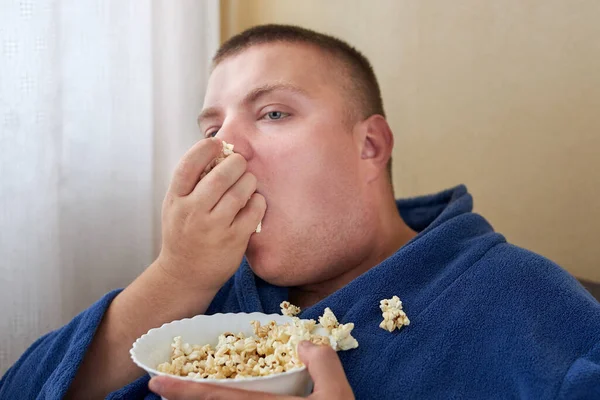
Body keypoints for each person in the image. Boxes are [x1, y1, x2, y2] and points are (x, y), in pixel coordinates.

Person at [1, 24, 599, 400]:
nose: (224, 148)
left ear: (370, 146)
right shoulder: (205, 296)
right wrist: (175, 276)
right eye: (211, 126)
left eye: (273, 113)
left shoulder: (524, 301)